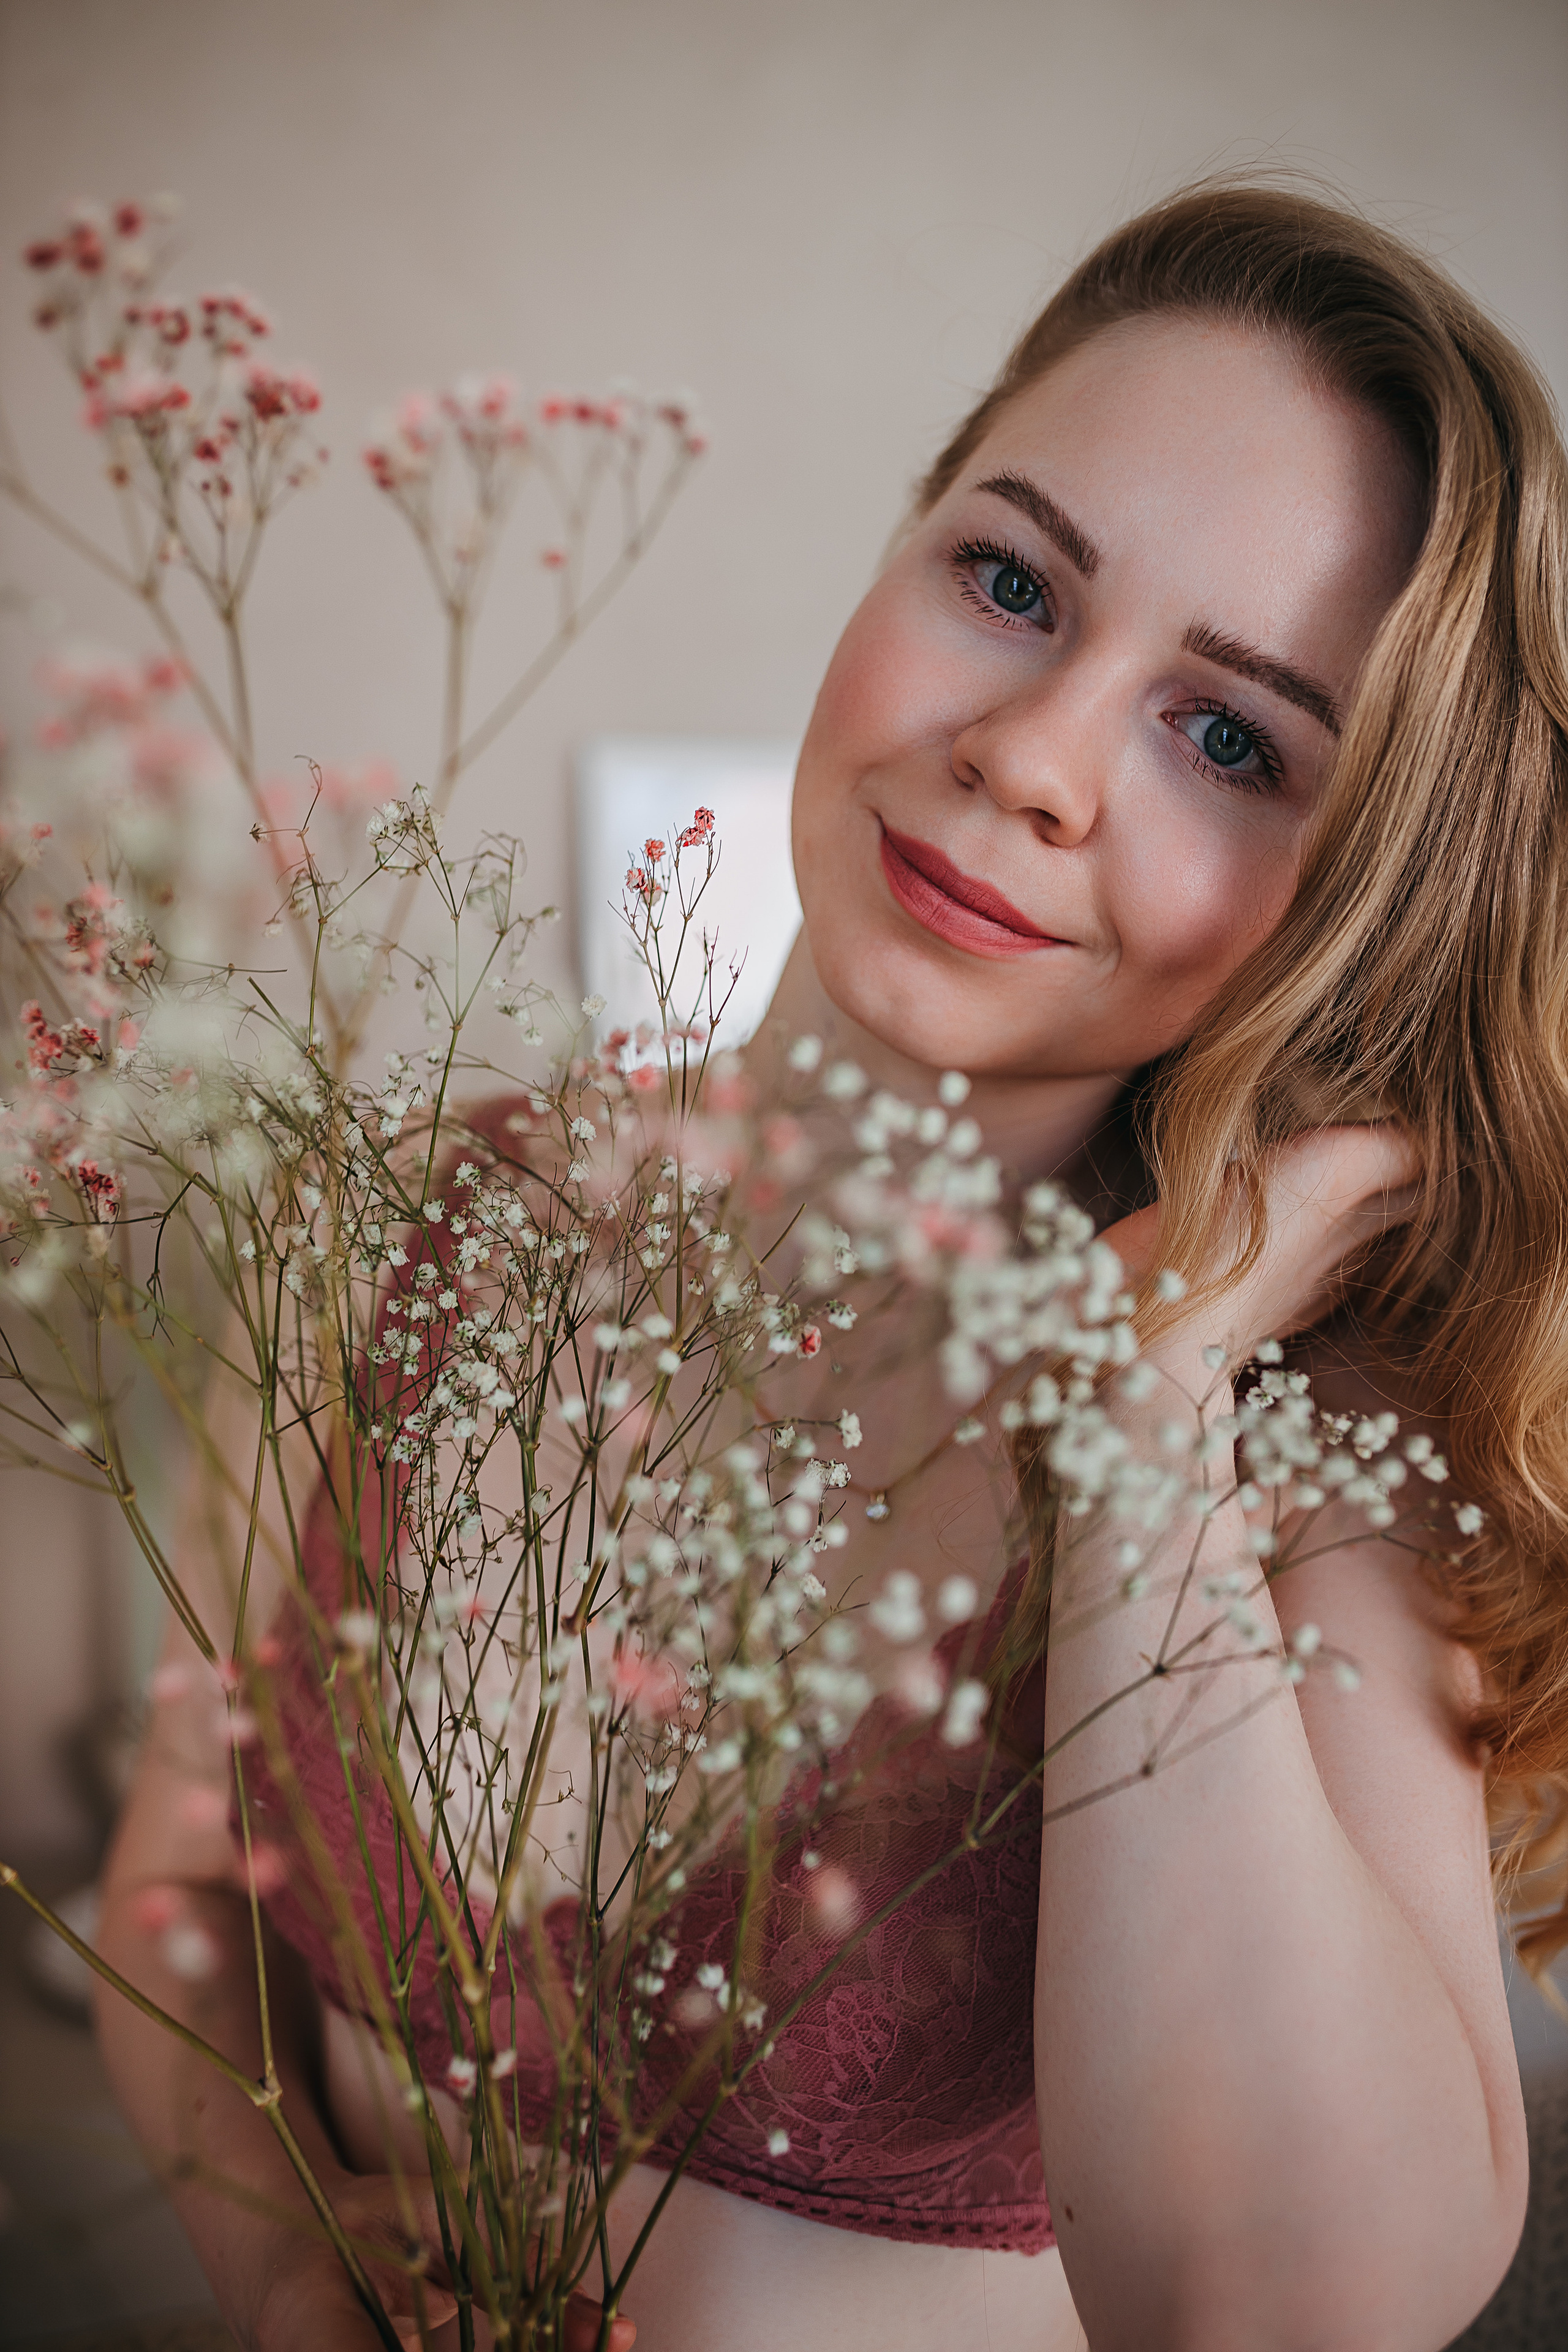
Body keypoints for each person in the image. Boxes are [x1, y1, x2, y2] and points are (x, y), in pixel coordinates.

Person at [96, 179, 1568, 2351]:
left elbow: (1288, 2311)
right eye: (1010, 579)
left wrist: (1140, 1422)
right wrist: (298, 2290)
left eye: (1233, 739)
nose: (1030, 758)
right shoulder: (394, 1209)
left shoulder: (1309, 1465)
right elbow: (172, 1879)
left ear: (1358, 902)